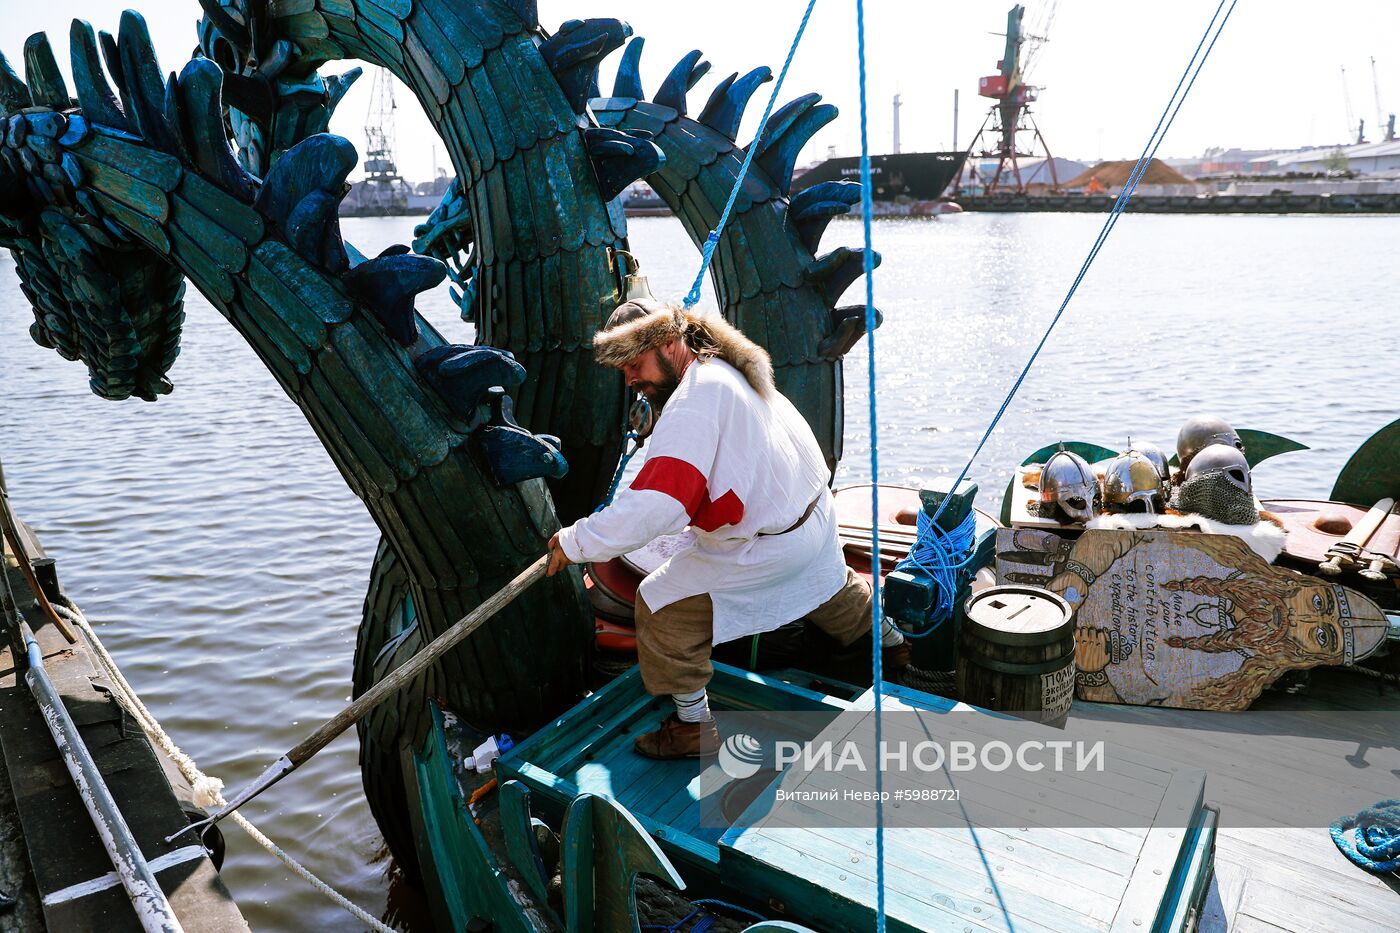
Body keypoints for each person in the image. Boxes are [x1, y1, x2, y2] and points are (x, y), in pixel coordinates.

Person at [546, 298, 910, 759]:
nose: (630, 380)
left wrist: (575, 540)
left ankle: (692, 728)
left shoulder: (694, 400)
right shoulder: (722, 366)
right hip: (814, 519)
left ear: (667, 343)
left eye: (634, 364)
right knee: (830, 584)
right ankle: (894, 645)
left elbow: (658, 506)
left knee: (661, 604)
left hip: (772, 544)